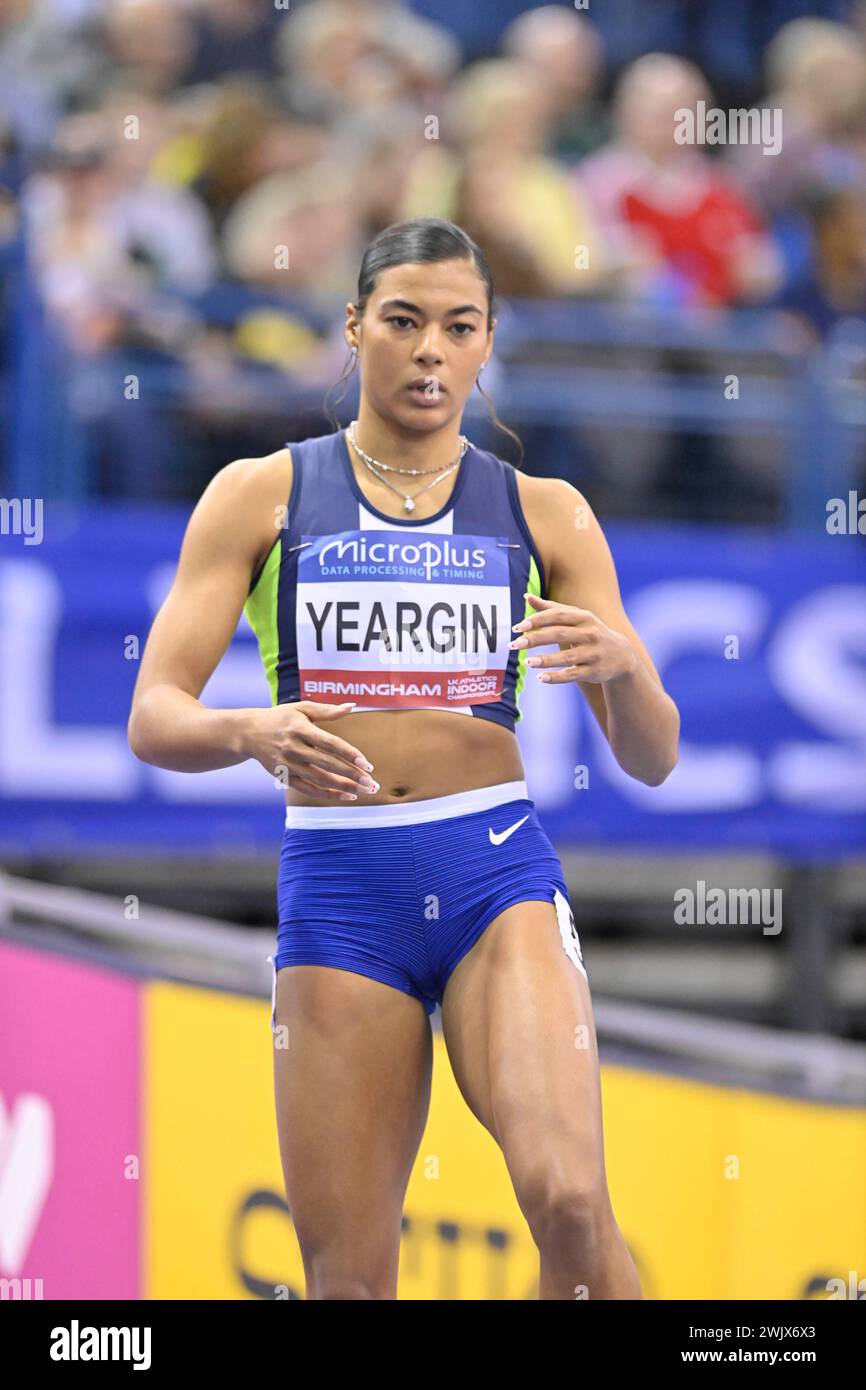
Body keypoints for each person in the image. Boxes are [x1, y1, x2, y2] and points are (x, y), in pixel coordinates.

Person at [127, 217, 680, 1300]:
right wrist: (250, 729)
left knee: (569, 1200)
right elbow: (154, 714)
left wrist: (625, 665)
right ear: (354, 328)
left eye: (457, 327)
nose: (430, 349)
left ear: (486, 344)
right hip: (339, 887)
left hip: (491, 874)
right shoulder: (261, 493)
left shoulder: (545, 511)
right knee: (349, 1281)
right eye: (404, 321)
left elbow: (651, 758)